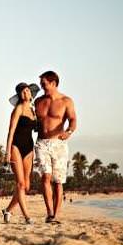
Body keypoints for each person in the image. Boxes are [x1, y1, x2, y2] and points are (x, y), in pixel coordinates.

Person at [34, 71, 77, 224]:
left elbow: (73, 120)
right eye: (41, 84)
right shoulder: (38, 101)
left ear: (53, 83)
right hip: (41, 143)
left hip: (59, 144)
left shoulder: (66, 101)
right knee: (45, 177)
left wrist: (69, 132)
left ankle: (56, 215)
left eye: (44, 84)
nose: (42, 87)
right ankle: (49, 213)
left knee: (58, 181)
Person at [2, 82, 40, 224]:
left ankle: (8, 210)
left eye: (28, 91)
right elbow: (11, 131)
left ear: (31, 93)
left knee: (27, 186)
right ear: (19, 95)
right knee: (20, 184)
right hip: (16, 146)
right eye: (23, 92)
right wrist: (7, 152)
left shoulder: (33, 111)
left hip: (29, 148)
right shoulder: (18, 109)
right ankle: (27, 217)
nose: (26, 94)